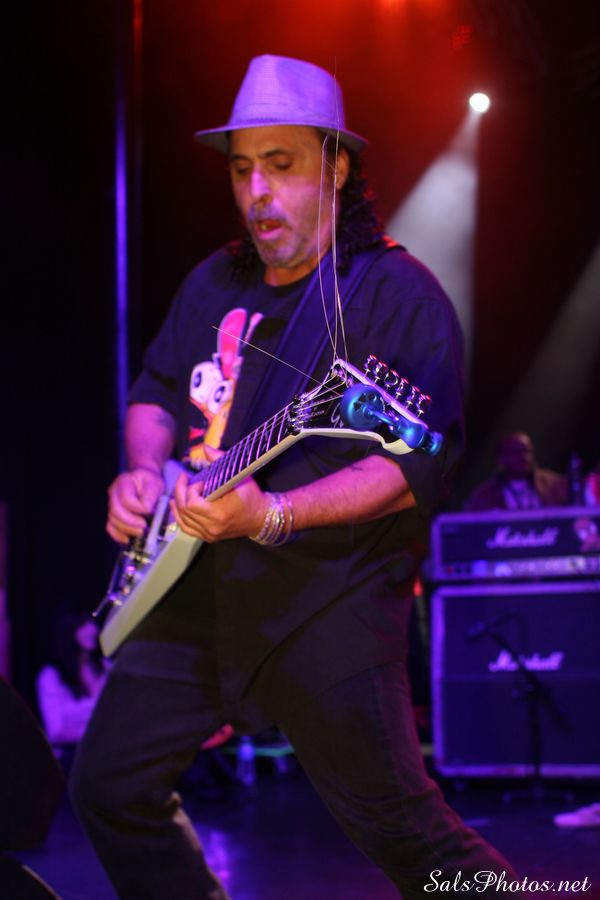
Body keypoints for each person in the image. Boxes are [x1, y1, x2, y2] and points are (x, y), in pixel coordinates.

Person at [70, 55, 518, 898]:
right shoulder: (214, 280)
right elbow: (156, 391)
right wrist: (141, 472)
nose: (256, 193)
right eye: (242, 169)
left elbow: (408, 466)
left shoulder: (397, 295)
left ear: (337, 167)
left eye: (281, 166)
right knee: (108, 787)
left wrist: (273, 512)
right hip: (194, 591)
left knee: (411, 839)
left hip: (323, 604)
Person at [36, 612, 110, 764]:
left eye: (92, 624)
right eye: (83, 625)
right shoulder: (52, 676)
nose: (92, 630)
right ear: (69, 631)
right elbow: (56, 731)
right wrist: (101, 732)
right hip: (74, 757)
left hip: (109, 752)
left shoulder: (107, 668)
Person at [465, 431, 569, 511]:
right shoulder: (484, 496)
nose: (525, 457)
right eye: (516, 452)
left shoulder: (555, 485)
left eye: (528, 451)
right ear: (500, 459)